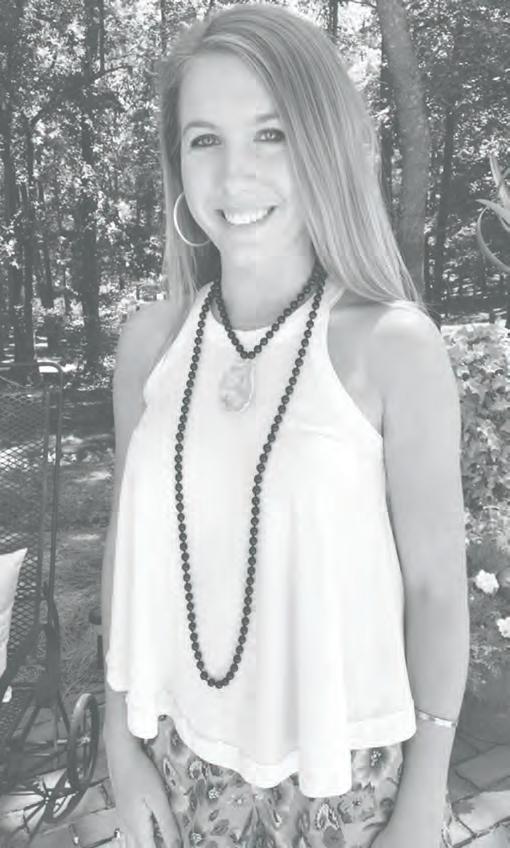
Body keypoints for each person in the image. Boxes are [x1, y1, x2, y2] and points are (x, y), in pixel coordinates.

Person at [101, 4, 470, 847]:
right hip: (177, 766)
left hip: (346, 781)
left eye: (270, 134)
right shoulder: (150, 345)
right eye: (204, 139)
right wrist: (119, 744)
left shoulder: (393, 347)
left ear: (324, 144)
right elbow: (127, 548)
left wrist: (425, 799)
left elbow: (436, 590)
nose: (235, 176)